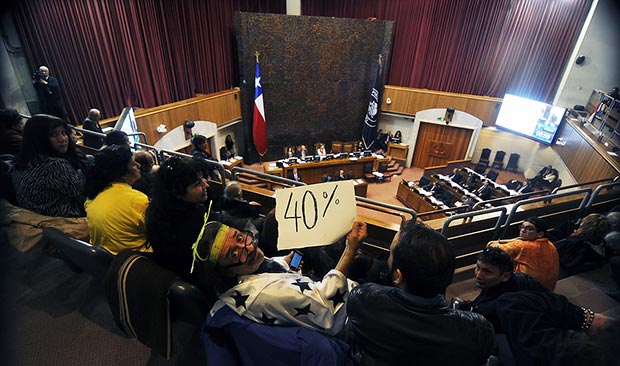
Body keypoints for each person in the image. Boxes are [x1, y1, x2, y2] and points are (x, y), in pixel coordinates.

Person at [345, 220, 495, 365]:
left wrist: (350, 250)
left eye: (390, 254)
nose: (388, 259)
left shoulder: (364, 300)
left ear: (398, 276)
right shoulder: (479, 331)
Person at [192, 220, 367, 336]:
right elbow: (328, 307)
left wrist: (283, 263)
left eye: (239, 237)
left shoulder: (243, 271)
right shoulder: (265, 295)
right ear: (225, 272)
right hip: (349, 324)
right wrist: (349, 250)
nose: (249, 248)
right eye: (235, 253)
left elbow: (265, 272)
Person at [146, 156, 212, 281]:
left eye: (203, 179)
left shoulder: (158, 210)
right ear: (177, 191)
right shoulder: (193, 219)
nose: (206, 185)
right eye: (197, 184)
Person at [452, 247, 548, 333]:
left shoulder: (494, 307)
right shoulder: (521, 278)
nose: (478, 275)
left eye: (487, 271)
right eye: (477, 268)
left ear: (505, 276)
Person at [12, 114, 86, 218]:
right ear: (39, 139)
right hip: (68, 223)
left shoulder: (20, 163)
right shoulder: (54, 165)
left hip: (41, 224)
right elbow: (85, 194)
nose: (63, 139)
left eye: (64, 133)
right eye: (53, 135)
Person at [84, 145, 150, 254]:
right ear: (122, 173)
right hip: (138, 260)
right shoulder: (137, 200)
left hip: (108, 261)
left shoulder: (92, 196)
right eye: (134, 163)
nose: (138, 165)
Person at [488, 216, 559, 290]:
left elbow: (491, 247)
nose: (523, 230)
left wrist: (499, 241)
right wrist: (514, 240)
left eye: (529, 229)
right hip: (548, 289)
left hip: (526, 290)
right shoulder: (550, 245)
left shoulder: (522, 246)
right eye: (522, 227)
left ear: (540, 234)